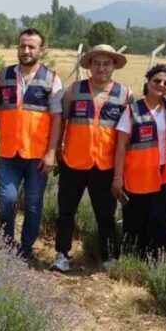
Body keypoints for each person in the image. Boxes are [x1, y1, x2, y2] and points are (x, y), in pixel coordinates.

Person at [49, 44, 132, 273]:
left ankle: (108, 258)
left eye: (106, 63)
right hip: (73, 162)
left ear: (114, 66)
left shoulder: (125, 95)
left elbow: (127, 135)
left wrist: (122, 170)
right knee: (66, 212)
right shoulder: (74, 90)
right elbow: (61, 121)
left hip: (105, 165)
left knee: (105, 215)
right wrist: (56, 150)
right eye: (97, 63)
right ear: (90, 66)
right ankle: (62, 255)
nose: (101, 68)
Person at [0, 29, 64, 259]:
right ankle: (6, 246)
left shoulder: (52, 79)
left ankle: (26, 249)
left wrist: (52, 152)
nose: (26, 51)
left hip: (38, 156)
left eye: (31, 47)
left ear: (41, 50)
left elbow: (57, 118)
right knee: (6, 201)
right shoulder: (3, 75)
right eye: (22, 46)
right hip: (9, 154)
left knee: (33, 205)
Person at [112, 64, 166, 260]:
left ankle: (154, 264)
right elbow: (121, 146)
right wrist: (118, 177)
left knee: (157, 224)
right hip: (137, 177)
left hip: (163, 177)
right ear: (148, 82)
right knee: (134, 224)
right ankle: (131, 263)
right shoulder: (132, 110)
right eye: (157, 80)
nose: (161, 85)